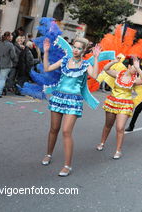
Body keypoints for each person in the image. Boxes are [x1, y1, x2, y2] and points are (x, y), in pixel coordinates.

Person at [41, 37, 101, 176]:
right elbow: (47, 68)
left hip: (74, 101)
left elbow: (95, 75)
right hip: (58, 97)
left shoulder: (85, 65)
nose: (75, 50)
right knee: (54, 129)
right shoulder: (64, 60)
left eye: (79, 48)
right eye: (75, 47)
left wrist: (96, 58)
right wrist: (46, 52)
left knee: (66, 131)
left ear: (84, 50)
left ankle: (67, 165)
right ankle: (48, 154)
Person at [96, 56, 142, 159]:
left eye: (137, 67)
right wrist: (114, 61)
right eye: (133, 66)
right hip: (113, 101)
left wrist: (138, 68)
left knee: (120, 127)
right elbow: (106, 69)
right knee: (108, 125)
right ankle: (102, 142)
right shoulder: (118, 74)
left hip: (125, 104)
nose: (135, 68)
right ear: (128, 66)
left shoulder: (134, 80)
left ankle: (118, 150)